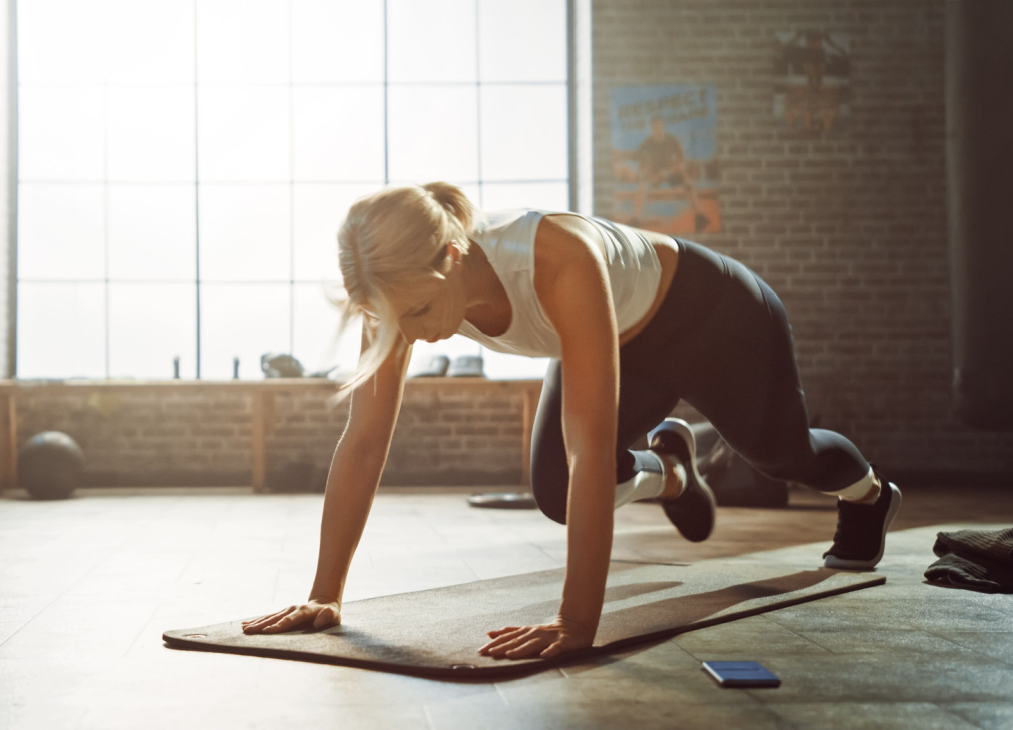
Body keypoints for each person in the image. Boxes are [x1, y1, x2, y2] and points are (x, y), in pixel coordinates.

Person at [241, 182, 901, 661]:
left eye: (415, 313)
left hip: (712, 318)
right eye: (391, 319)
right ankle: (672, 471)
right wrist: (324, 594)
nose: (409, 333)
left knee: (780, 455)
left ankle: (869, 495)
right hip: (613, 339)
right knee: (556, 493)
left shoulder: (556, 258)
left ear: (451, 255)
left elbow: (591, 448)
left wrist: (575, 622)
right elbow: (362, 444)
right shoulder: (393, 293)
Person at [629, 116, 709, 232]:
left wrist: (667, 172)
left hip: (670, 173)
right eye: (656, 127)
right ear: (652, 128)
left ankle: (700, 215)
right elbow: (640, 163)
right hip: (654, 174)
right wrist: (649, 173)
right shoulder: (647, 143)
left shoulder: (672, 140)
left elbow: (681, 162)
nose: (659, 129)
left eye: (661, 126)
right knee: (643, 185)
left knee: (687, 182)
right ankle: (636, 218)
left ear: (664, 127)